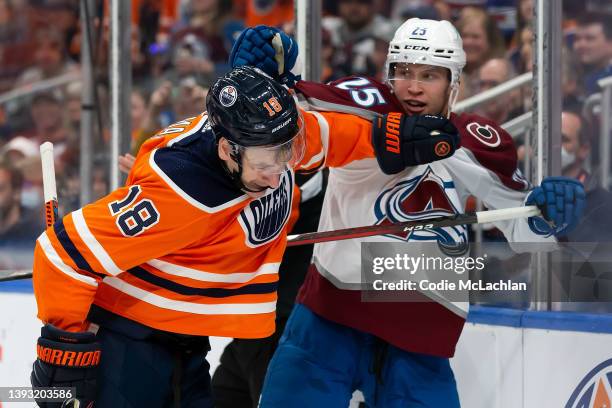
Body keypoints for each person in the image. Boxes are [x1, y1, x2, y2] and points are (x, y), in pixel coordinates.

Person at [29, 64, 462, 407]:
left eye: (285, 155)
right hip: (128, 348)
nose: (278, 173)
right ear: (225, 149)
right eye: (264, 162)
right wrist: (64, 347)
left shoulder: (269, 138)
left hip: (187, 342)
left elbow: (324, 136)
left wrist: (388, 137)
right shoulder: (178, 192)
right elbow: (59, 254)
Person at [230, 20, 585, 407]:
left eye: (429, 75)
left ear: (454, 83)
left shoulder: (477, 143)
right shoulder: (363, 114)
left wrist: (551, 211)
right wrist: (256, 83)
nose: (414, 87)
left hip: (419, 336)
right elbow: (292, 115)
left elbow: (527, 231)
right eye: (404, 72)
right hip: (329, 321)